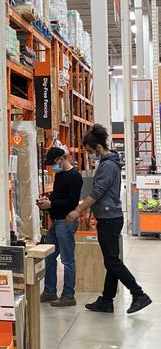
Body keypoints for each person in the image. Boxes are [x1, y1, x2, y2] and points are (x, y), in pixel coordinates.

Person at [65, 124, 152, 314]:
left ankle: (138, 294)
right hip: (108, 217)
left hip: (109, 219)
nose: (89, 155)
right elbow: (100, 194)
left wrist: (78, 210)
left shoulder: (108, 165)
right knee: (111, 260)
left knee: (112, 261)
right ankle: (106, 300)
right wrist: (90, 211)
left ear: (97, 147)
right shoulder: (109, 163)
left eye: (89, 151)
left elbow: (97, 192)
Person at [37, 145, 83, 307]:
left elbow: (71, 202)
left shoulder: (74, 176)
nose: (52, 167)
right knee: (49, 257)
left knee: (67, 259)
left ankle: (69, 295)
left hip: (66, 222)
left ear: (62, 159)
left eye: (54, 163)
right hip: (56, 222)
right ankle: (49, 291)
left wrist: (51, 204)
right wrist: (46, 201)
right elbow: (58, 197)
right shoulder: (60, 176)